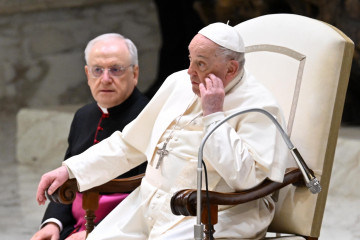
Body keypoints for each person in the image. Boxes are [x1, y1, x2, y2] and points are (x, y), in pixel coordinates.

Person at [36, 22, 289, 239]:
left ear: (231, 69)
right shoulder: (177, 82)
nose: (189, 72)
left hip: (212, 214)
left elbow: (245, 180)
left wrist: (214, 115)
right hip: (148, 203)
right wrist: (69, 169)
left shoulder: (260, 106)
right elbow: (129, 144)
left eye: (200, 64)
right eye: (190, 59)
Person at [31, 33, 148, 240]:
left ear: (135, 73)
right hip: (74, 228)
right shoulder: (83, 116)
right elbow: (68, 182)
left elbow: (147, 195)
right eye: (97, 70)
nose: (105, 79)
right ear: (87, 74)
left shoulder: (149, 117)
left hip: (122, 231)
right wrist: (52, 223)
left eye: (115, 69)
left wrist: (96, 232)